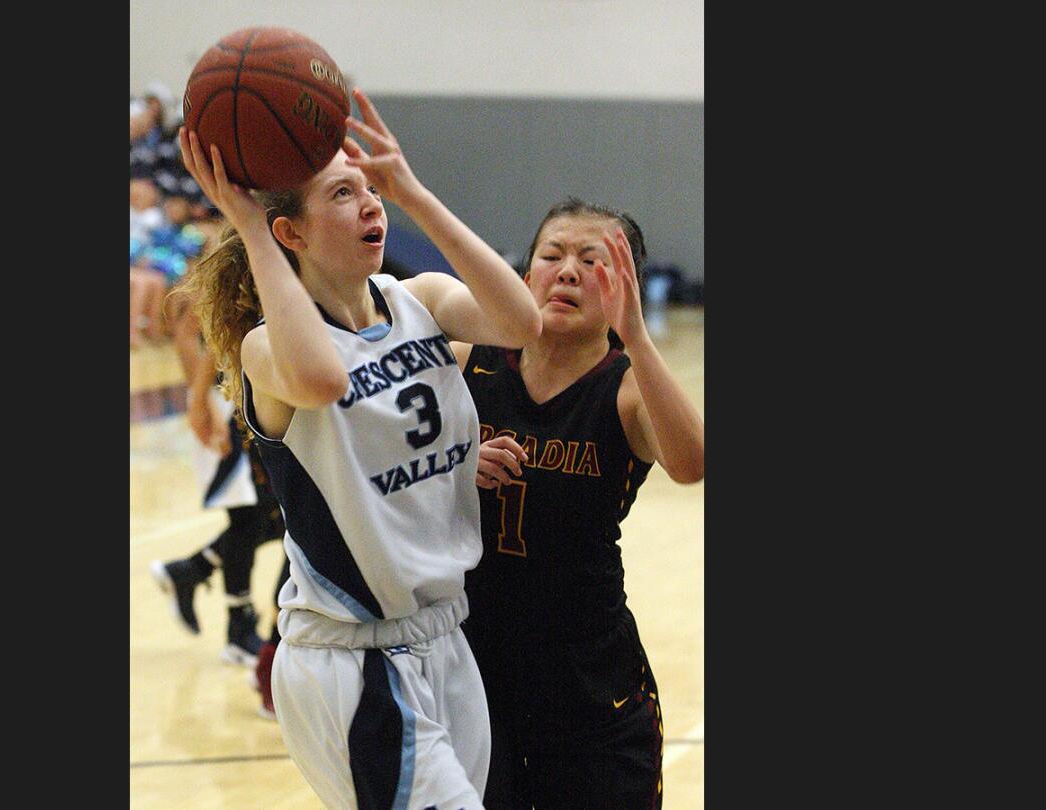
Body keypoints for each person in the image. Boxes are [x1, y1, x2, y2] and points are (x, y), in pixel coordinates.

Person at [177, 87, 542, 810]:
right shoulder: (267, 350)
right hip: (356, 658)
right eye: (344, 194)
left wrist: (414, 191)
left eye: (371, 189)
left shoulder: (421, 300)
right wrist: (248, 227)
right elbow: (321, 377)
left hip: (444, 638)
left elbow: (521, 321)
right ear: (293, 233)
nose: (371, 205)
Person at [453, 198, 705, 809]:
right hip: (475, 672)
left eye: (592, 261)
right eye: (552, 255)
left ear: (627, 289)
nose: (567, 271)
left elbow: (692, 462)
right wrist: (452, 467)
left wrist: (638, 336)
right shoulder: (464, 363)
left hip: (591, 683)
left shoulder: (624, 389)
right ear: (524, 276)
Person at [150, 302, 287, 670]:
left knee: (274, 518)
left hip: (239, 396)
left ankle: (191, 570)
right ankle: (238, 630)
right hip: (225, 403)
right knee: (251, 519)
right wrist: (201, 400)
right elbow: (188, 331)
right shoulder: (225, 255)